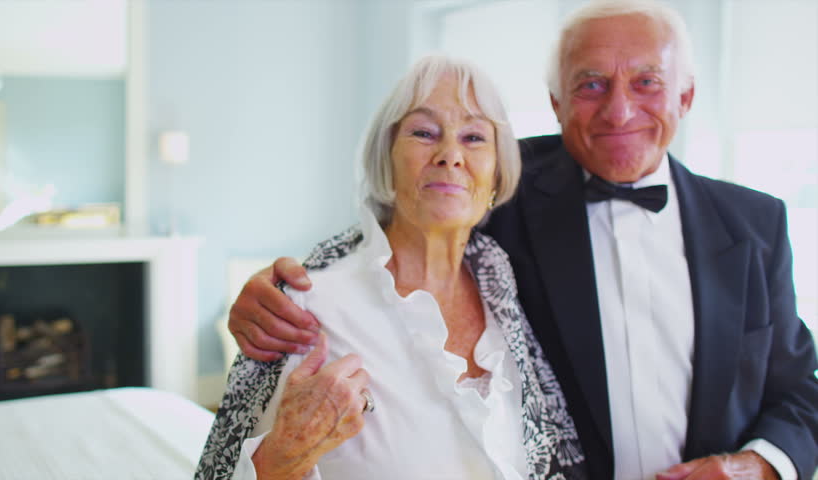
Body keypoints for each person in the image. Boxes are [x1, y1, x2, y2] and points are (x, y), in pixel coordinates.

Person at [226, 1, 818, 479]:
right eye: (590, 85)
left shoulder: (756, 223)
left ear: (685, 96)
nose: (619, 110)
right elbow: (401, 218)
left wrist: (758, 467)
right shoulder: (501, 184)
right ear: (556, 103)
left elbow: (800, 395)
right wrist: (278, 290)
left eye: (647, 82)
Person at [196, 55, 588, 480]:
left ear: (497, 173)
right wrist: (283, 456)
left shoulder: (511, 292)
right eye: (424, 132)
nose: (450, 154)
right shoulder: (306, 305)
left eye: (474, 137)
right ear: (387, 157)